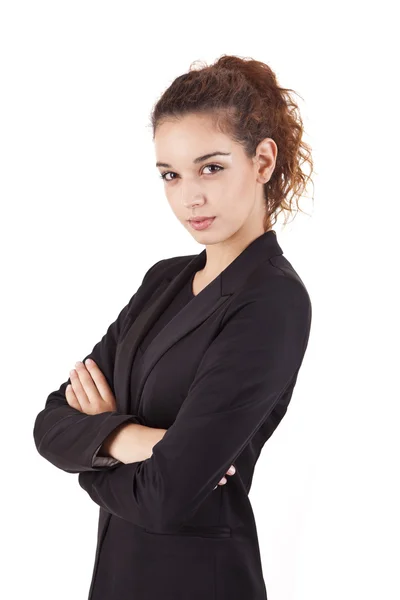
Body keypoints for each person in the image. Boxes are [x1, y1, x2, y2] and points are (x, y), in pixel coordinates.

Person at [33, 54, 314, 600]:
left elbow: (168, 495)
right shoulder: (163, 281)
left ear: (261, 161)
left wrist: (93, 448)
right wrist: (140, 440)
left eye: (211, 167)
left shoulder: (272, 301)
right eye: (171, 175)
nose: (190, 197)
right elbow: (49, 423)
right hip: (117, 575)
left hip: (200, 582)